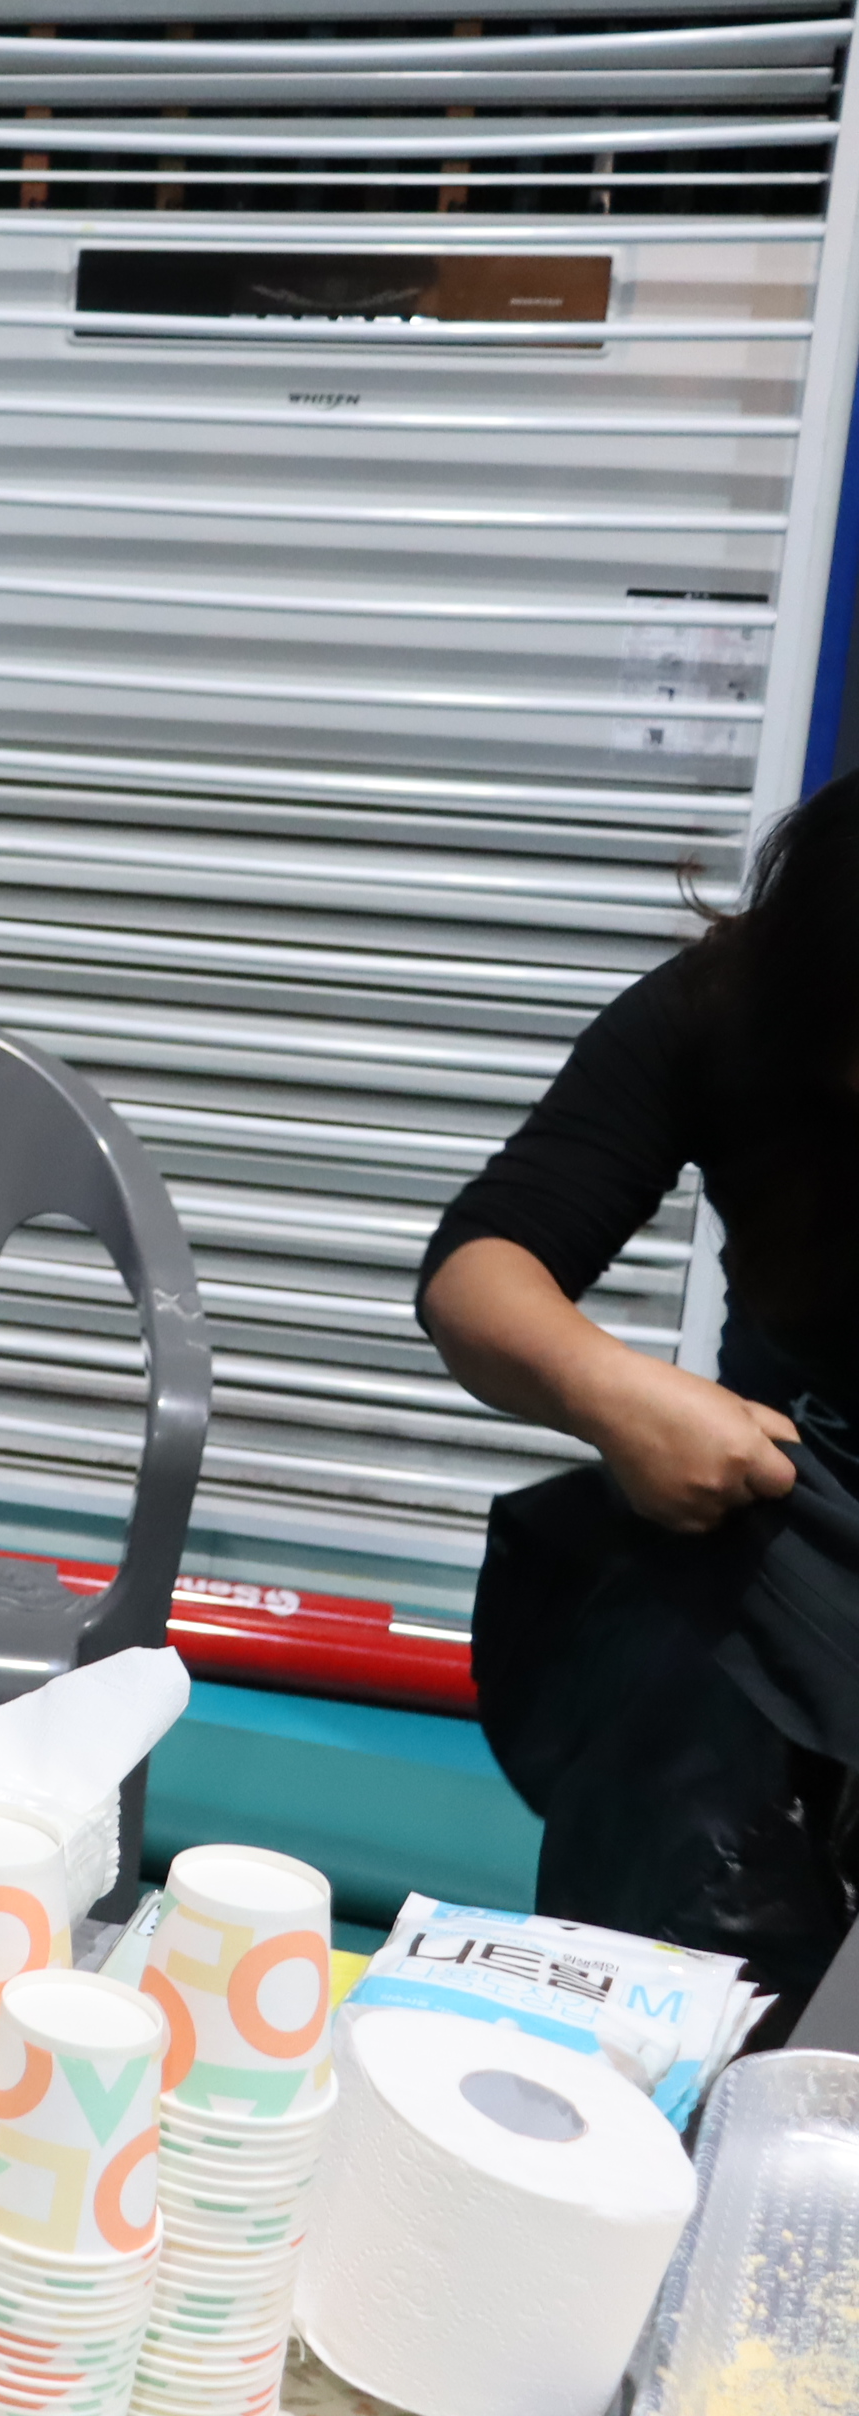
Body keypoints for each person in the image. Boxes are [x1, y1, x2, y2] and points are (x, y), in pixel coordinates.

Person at [419, 767, 859, 2008]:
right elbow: (483, 1267)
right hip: (778, 1537)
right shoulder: (732, 1006)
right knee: (667, 1730)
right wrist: (618, 1395)